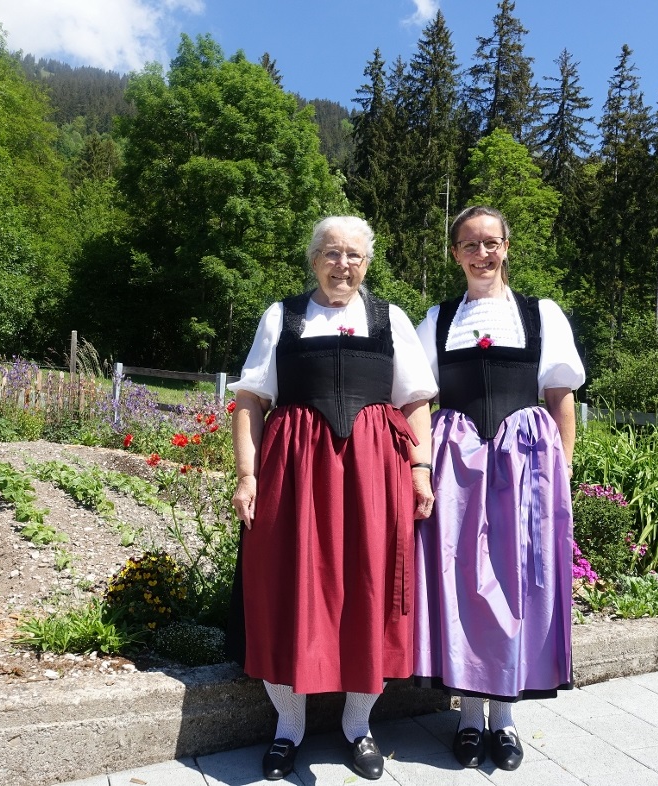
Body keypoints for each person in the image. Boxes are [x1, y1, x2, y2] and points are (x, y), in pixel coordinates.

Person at [228, 216, 437, 782]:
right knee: (287, 585)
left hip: (375, 473)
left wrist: (421, 469)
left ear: (367, 262)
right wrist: (247, 475)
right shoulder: (283, 316)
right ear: (313, 259)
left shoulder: (391, 319)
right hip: (294, 472)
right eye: (330, 253)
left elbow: (415, 401)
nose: (342, 265)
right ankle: (288, 727)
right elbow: (250, 399)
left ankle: (357, 725)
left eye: (353, 255)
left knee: (371, 588)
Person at [413, 205, 585, 771]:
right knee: (461, 579)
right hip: (456, 461)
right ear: (455, 253)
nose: (482, 253)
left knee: (517, 580)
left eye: (491, 243)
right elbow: (414, 399)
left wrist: (561, 468)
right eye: (469, 244)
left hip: (524, 461)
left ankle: (504, 719)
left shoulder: (540, 315)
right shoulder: (437, 320)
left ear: (507, 247)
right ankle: (467, 718)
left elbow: (561, 395)